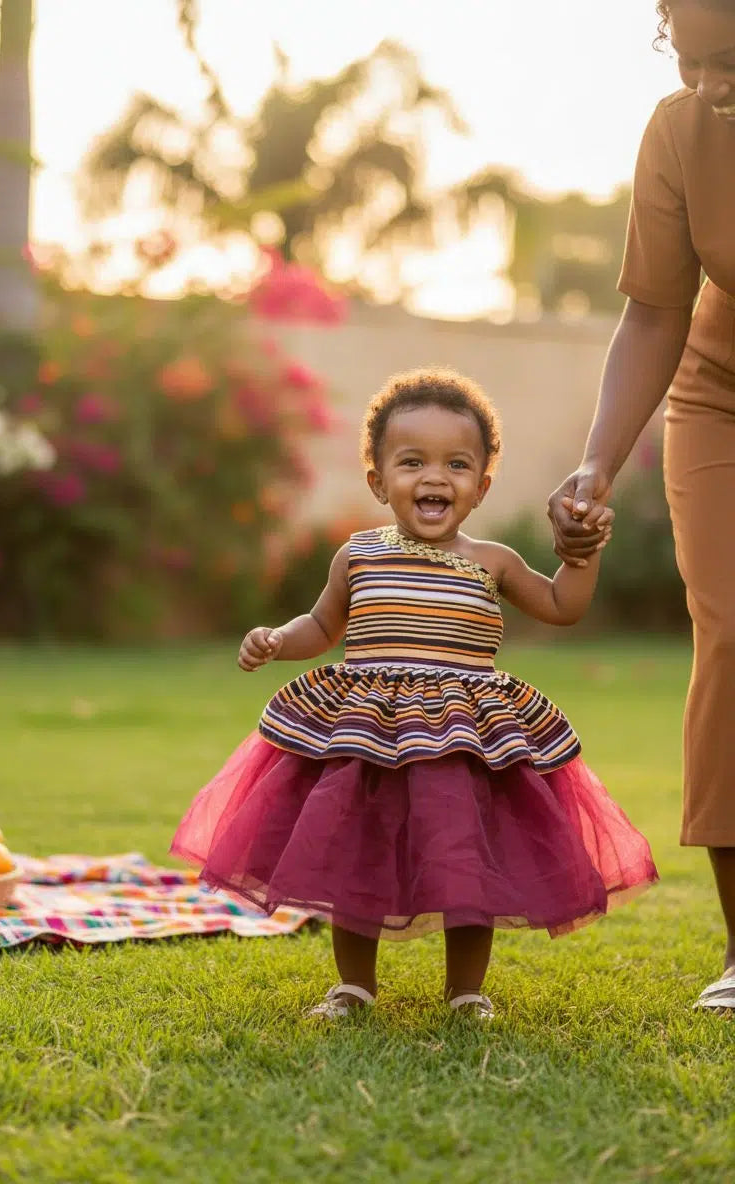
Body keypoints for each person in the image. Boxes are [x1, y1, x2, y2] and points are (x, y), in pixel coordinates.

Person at [172, 369, 658, 1020]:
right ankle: (353, 985)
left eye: (457, 464)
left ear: (481, 486)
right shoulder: (359, 555)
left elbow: (563, 605)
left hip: (463, 738)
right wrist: (275, 638)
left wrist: (583, 550)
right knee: (356, 855)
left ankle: (466, 991)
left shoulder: (494, 562)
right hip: (368, 736)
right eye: (412, 462)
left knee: (466, 862)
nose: (435, 477)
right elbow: (321, 626)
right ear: (378, 480)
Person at [547, 0, 735, 1013]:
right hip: (724, 404)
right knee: (734, 632)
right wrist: (594, 465)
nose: (708, 83)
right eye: (691, 58)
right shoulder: (680, 131)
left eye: (731, 61)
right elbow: (656, 310)